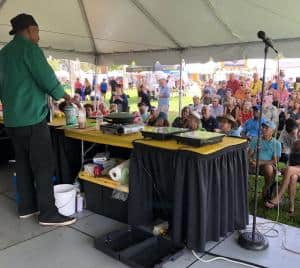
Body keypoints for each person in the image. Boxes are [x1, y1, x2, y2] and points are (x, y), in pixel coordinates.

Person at [0, 14, 76, 226]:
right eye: (38, 31)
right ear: (30, 30)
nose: (39, 37)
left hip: (12, 122)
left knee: (23, 164)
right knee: (43, 166)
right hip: (32, 120)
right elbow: (46, 77)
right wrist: (64, 94)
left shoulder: (3, 54)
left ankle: (26, 207)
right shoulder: (30, 49)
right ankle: (47, 213)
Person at [248, 120, 281, 200]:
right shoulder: (256, 139)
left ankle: (266, 189)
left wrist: (259, 162)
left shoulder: (276, 143)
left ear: (272, 131)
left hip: (267, 164)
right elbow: (249, 154)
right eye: (263, 127)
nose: (263, 129)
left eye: (266, 128)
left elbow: (275, 161)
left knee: (268, 168)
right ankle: (244, 189)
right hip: (254, 164)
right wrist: (250, 160)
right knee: (242, 166)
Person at [265, 140, 300, 214]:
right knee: (293, 177)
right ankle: (291, 207)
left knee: (290, 169)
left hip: (294, 169)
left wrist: (288, 169)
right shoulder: (295, 143)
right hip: (295, 171)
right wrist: (285, 169)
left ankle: (278, 197)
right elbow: (290, 161)